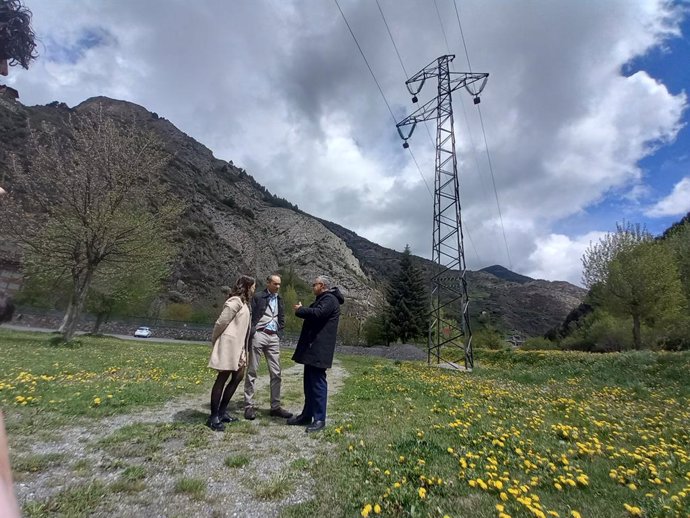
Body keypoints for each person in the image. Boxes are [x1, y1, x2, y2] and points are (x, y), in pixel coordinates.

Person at [287, 275, 344, 433]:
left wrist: (300, 310)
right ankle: (307, 415)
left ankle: (319, 419)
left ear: (322, 285)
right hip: (313, 349)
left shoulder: (329, 300)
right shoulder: (324, 299)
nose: (312, 287)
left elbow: (316, 313)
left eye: (314, 284)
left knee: (318, 384)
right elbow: (312, 312)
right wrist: (302, 311)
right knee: (309, 384)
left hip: (319, 349)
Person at [207, 275, 255, 432]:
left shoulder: (245, 303)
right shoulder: (235, 301)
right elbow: (221, 322)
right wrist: (216, 340)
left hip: (239, 347)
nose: (254, 289)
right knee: (223, 377)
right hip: (229, 345)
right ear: (247, 287)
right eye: (253, 286)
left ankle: (222, 411)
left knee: (238, 377)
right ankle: (214, 416)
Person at [243, 274, 293, 420]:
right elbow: (251, 316)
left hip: (273, 337)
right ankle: (248, 406)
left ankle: (275, 406)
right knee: (252, 370)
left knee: (276, 372)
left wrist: (278, 331)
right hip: (259, 334)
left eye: (279, 284)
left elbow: (281, 317)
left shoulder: (280, 299)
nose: (277, 287)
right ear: (268, 283)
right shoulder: (258, 297)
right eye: (275, 284)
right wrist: (253, 331)